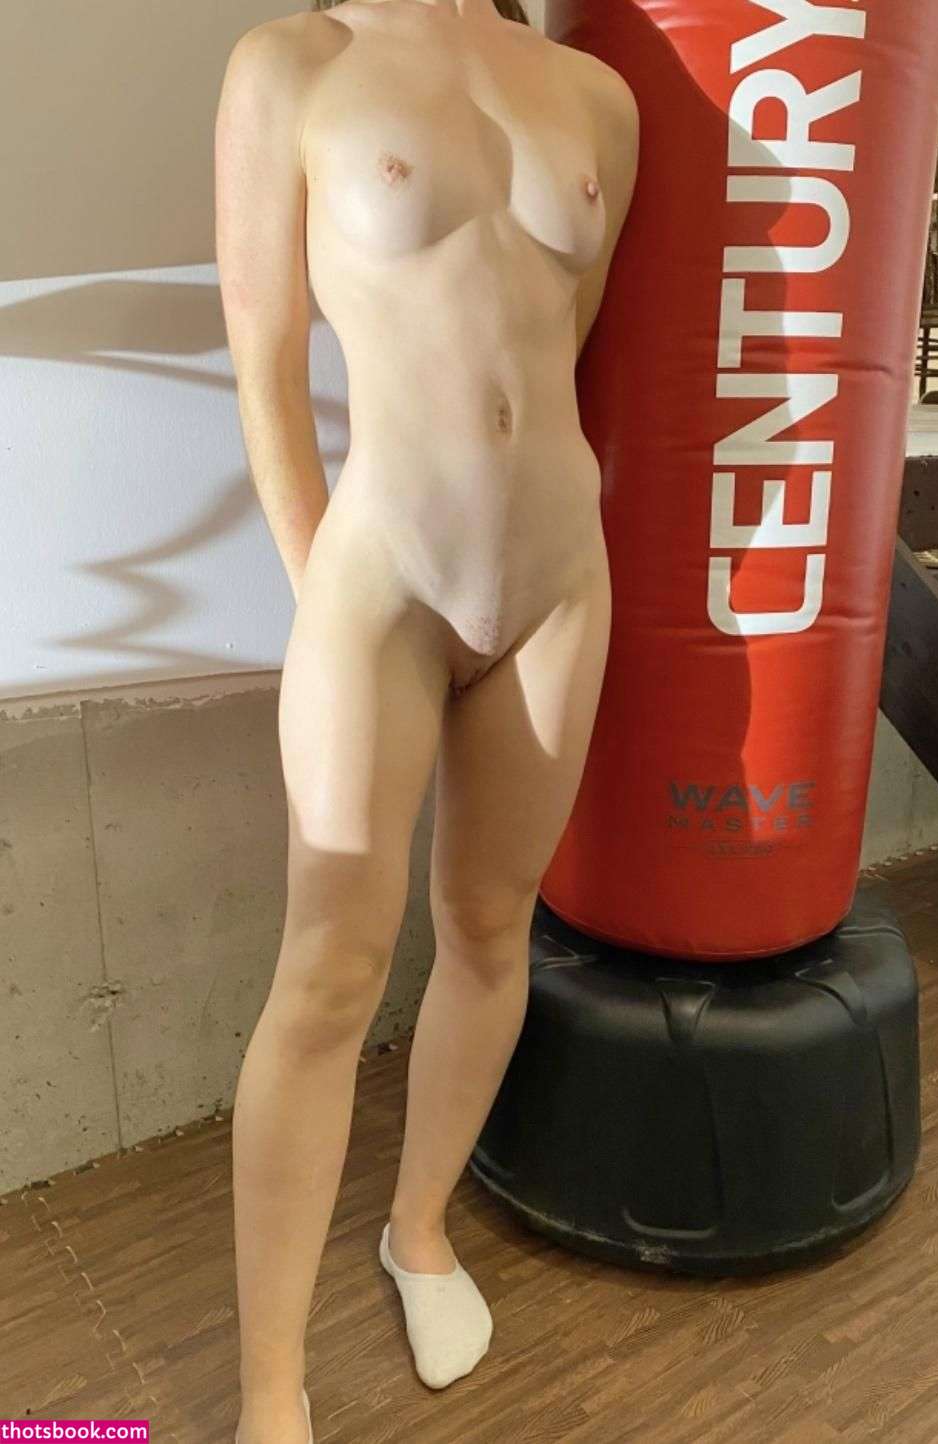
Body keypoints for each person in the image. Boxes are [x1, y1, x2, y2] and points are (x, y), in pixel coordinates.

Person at [214, 1, 638, 1438]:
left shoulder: (595, 93)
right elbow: (265, 359)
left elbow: (561, 343)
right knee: (329, 971)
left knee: (491, 927)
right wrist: (322, 599)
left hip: (558, 577)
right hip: (381, 577)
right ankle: (270, 1391)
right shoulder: (295, 64)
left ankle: (418, 1231)